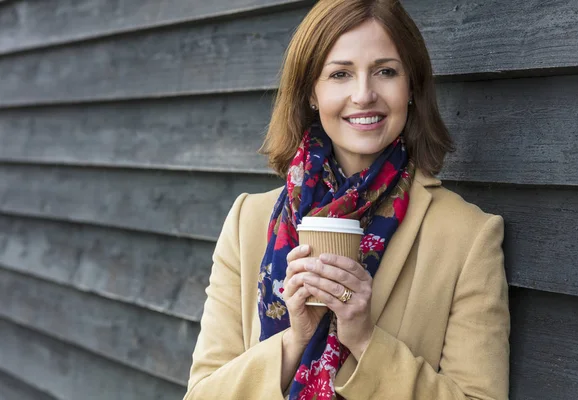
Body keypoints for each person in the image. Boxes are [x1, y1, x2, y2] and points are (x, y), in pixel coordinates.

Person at [183, 0, 510, 399]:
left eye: (385, 71)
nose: (364, 94)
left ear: (412, 87)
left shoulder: (468, 236)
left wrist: (365, 339)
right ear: (311, 94)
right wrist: (295, 338)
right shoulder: (247, 221)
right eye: (340, 74)